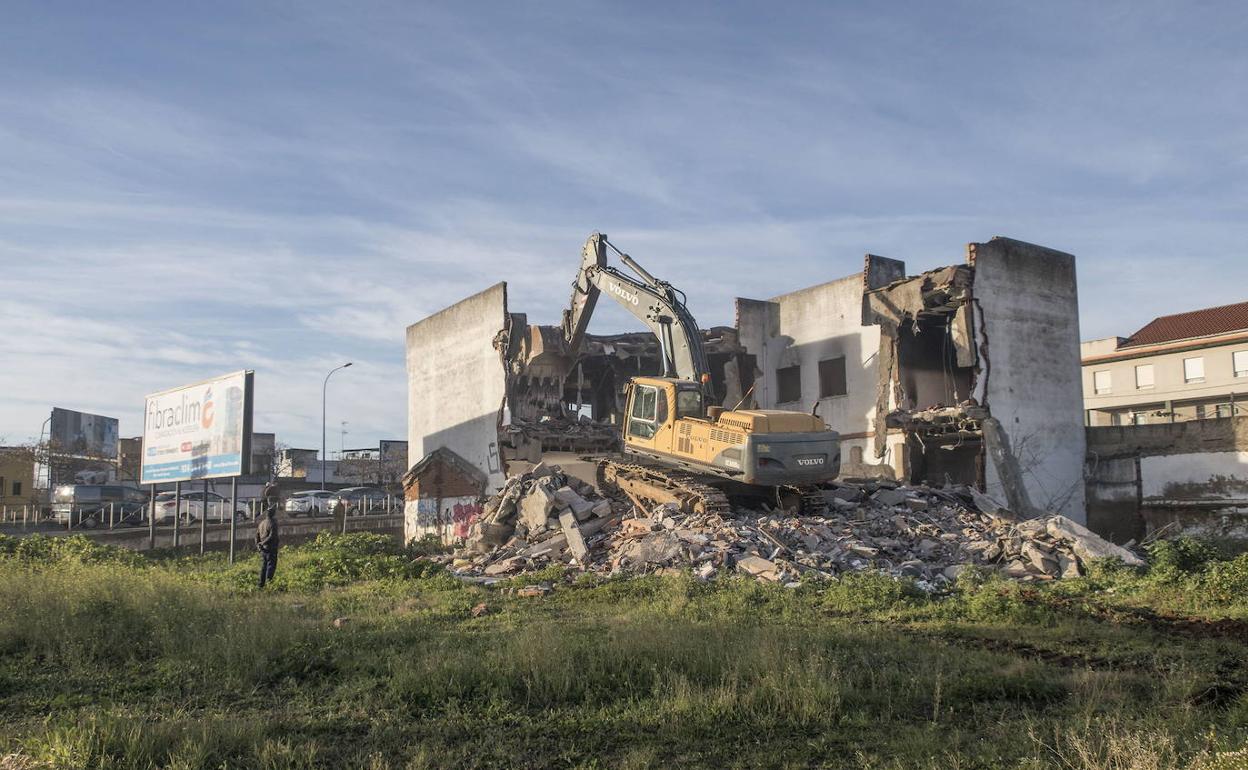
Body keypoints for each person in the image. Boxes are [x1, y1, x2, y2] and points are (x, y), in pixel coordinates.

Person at [256, 487, 281, 588]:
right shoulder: (273, 523)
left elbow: (257, 536)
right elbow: (272, 536)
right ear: (273, 514)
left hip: (263, 549)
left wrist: (259, 545)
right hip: (271, 548)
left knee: (264, 567)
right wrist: (263, 543)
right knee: (271, 567)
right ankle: (268, 585)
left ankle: (261, 585)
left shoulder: (261, 523)